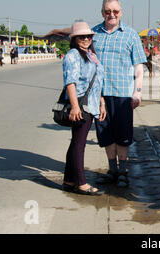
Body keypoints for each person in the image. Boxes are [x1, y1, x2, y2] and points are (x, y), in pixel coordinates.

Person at [92, 0, 147, 188]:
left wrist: (137, 92)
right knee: (105, 133)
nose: (112, 14)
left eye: (115, 11)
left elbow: (138, 66)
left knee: (123, 135)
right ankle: (112, 170)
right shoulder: (94, 34)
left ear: (120, 12)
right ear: (102, 13)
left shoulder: (131, 35)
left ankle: (123, 170)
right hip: (99, 95)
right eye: (108, 11)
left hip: (123, 94)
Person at [62, 21, 106, 196]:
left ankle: (69, 180)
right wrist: (74, 106)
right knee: (79, 144)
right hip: (81, 105)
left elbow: (97, 81)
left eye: (88, 36)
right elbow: (70, 82)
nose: (86, 39)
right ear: (74, 39)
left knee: (76, 143)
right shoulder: (73, 55)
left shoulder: (90, 54)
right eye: (82, 36)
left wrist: (102, 103)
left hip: (91, 104)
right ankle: (81, 183)